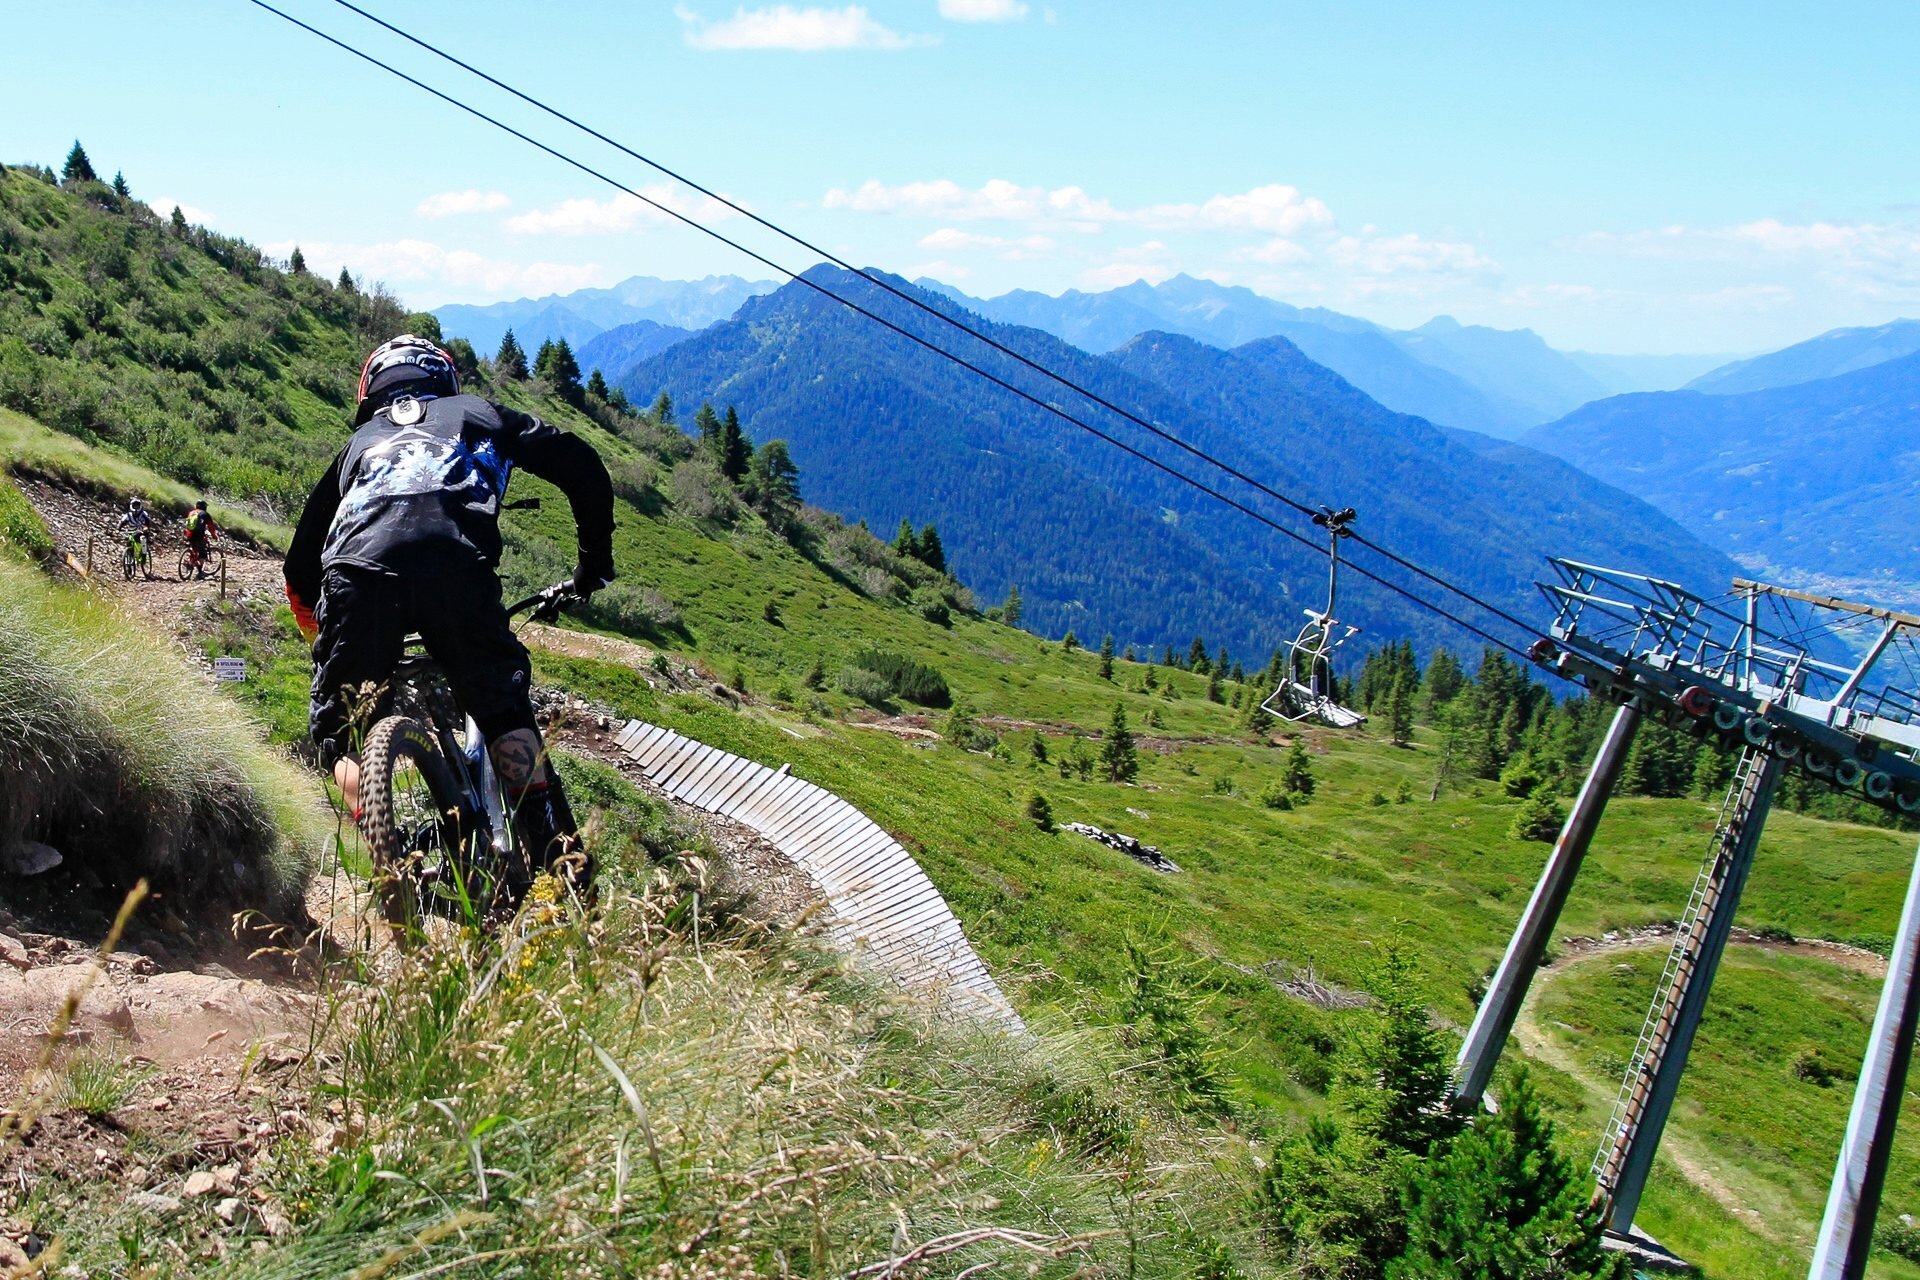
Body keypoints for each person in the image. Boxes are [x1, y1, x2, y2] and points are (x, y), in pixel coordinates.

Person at [284, 334, 616, 901]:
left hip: (357, 578)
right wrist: (593, 565)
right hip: (457, 571)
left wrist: (324, 635)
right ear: (444, 380)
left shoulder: (358, 445)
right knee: (504, 710)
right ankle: (560, 861)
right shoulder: (480, 413)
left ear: (371, 392)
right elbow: (580, 464)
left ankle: (389, 846)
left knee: (342, 735)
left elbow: (298, 569)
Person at [118, 497, 155, 570]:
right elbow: (121, 524)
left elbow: (148, 523)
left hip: (142, 532)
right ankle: (128, 565)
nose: (136, 508)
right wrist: (118, 529)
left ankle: (144, 555)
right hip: (130, 533)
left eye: (137, 506)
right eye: (134, 506)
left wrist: (146, 528)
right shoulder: (128, 516)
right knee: (128, 545)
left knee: (143, 539)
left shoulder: (144, 514)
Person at [184, 500, 218, 576]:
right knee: (203, 553)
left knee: (194, 547)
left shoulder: (191, 513)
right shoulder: (205, 514)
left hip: (188, 534)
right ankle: (200, 572)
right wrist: (214, 535)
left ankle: (190, 560)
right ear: (205, 507)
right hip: (199, 535)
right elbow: (211, 527)